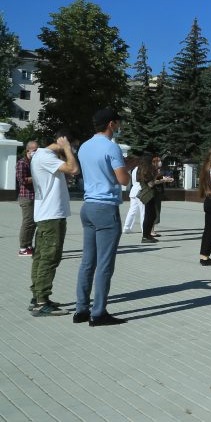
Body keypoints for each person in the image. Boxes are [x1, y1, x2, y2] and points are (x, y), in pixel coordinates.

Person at [73, 108, 131, 326]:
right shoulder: (111, 147)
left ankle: (81, 309)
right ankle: (98, 313)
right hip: (106, 207)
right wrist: (126, 168)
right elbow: (123, 179)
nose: (119, 126)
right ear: (111, 124)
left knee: (87, 261)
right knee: (105, 264)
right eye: (117, 123)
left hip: (88, 206)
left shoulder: (85, 146)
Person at [29, 129, 78, 316]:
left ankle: (38, 297)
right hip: (51, 216)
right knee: (49, 258)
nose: (72, 150)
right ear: (63, 141)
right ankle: (42, 301)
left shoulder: (41, 155)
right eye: (73, 146)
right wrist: (67, 148)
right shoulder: (46, 156)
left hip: (46, 215)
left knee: (41, 257)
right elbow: (73, 169)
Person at [136, 154, 169, 243]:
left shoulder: (145, 169)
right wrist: (161, 179)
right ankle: (145, 236)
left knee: (152, 215)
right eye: (153, 160)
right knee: (149, 215)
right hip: (148, 195)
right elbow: (150, 184)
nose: (156, 162)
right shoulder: (145, 170)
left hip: (151, 194)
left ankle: (148, 235)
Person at [16, 140, 38, 256]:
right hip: (26, 197)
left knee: (33, 223)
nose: (36, 152)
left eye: (37, 150)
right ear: (27, 150)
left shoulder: (34, 162)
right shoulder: (22, 163)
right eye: (34, 150)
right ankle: (23, 248)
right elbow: (22, 180)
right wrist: (36, 177)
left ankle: (29, 245)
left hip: (35, 196)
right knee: (28, 222)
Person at [122, 157, 145, 234]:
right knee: (143, 211)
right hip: (140, 191)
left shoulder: (134, 169)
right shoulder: (142, 169)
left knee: (132, 211)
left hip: (134, 191)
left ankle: (126, 227)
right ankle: (144, 229)